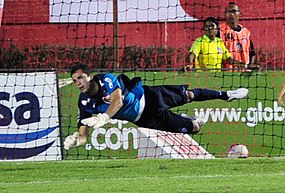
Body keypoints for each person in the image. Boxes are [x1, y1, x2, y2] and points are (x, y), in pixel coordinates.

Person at [63, 63, 249, 150]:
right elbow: (84, 127)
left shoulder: (106, 79)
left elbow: (117, 101)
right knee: (194, 128)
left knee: (188, 95)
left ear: (89, 75)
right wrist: (78, 139)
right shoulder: (84, 102)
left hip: (149, 98)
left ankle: (227, 95)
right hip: (144, 119)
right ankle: (187, 121)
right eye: (74, 80)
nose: (78, 82)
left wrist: (104, 117)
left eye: (80, 77)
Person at [219, 2, 260, 71]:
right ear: (225, 14)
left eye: (234, 11)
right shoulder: (219, 30)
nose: (231, 14)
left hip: (244, 72)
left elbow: (252, 52)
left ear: (240, 14)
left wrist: (251, 65)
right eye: (229, 11)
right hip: (227, 73)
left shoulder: (246, 32)